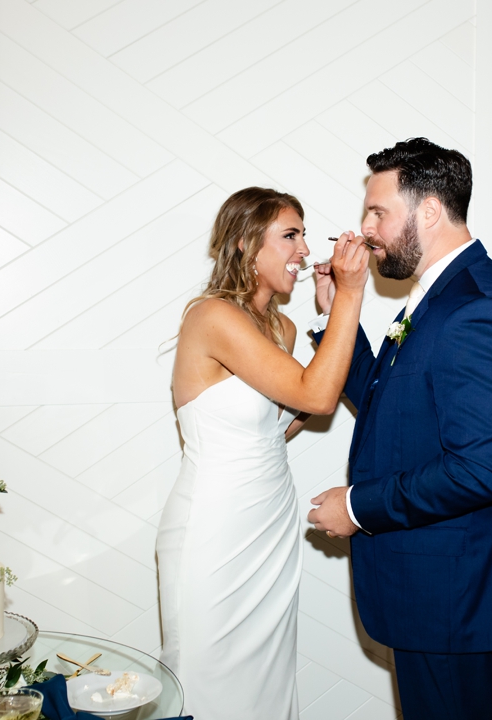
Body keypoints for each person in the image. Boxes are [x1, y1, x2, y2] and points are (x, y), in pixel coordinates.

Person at [307, 138, 492, 719]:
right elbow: (386, 404)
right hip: (432, 596)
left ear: (430, 211)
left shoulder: (474, 310)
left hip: (451, 600)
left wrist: (358, 507)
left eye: (378, 211)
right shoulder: (438, 298)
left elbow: (481, 471)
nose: (366, 229)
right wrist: (338, 312)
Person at [156, 187, 371, 719]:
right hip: (215, 529)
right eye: (290, 235)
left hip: (271, 527)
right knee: (207, 685)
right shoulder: (211, 317)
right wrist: (351, 293)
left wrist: (326, 316)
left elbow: (281, 423)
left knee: (267, 690)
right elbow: (317, 394)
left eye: (303, 235)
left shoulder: (283, 327)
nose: (303, 250)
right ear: (246, 245)